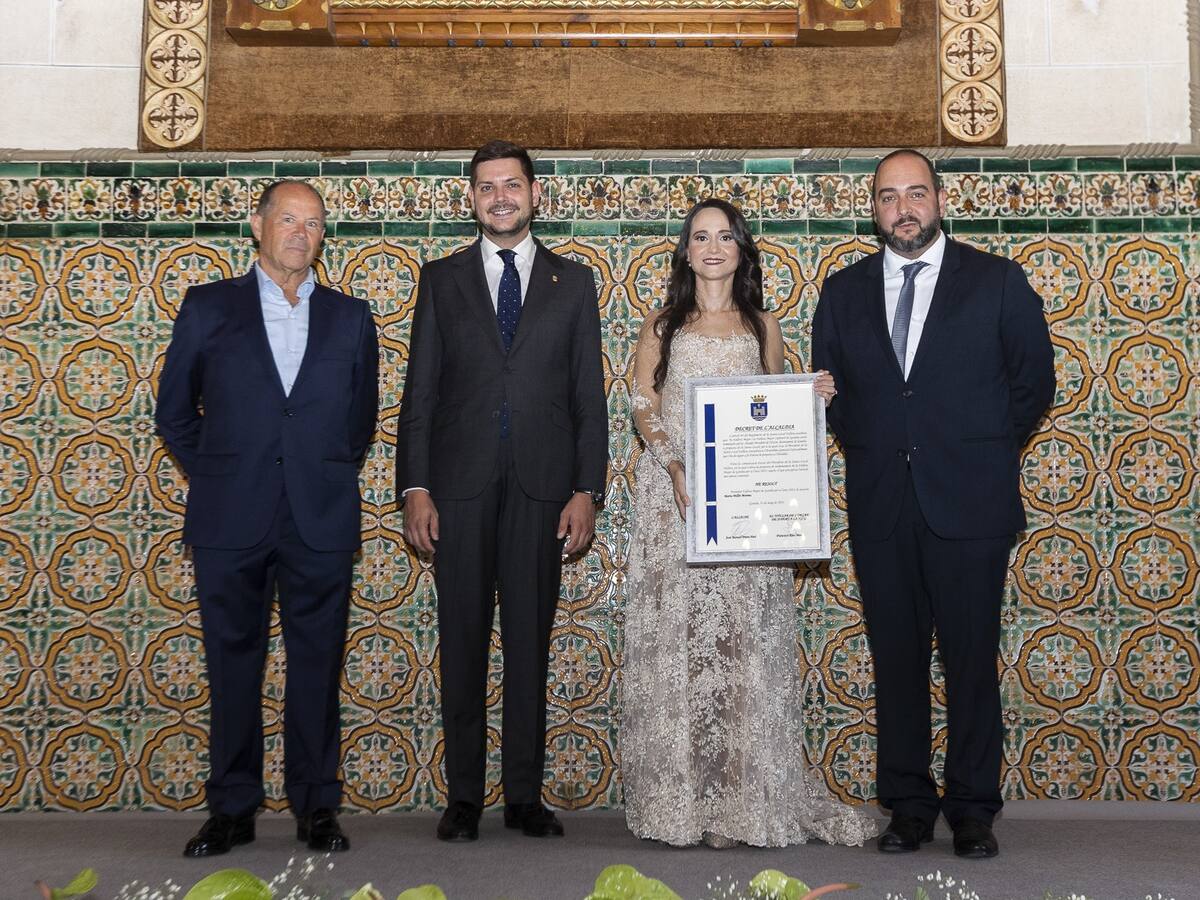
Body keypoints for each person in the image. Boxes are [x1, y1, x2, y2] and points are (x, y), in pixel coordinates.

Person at [812, 149, 1054, 859]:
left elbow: (1032, 382)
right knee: (897, 658)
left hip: (971, 504)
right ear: (874, 207)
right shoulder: (844, 291)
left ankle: (973, 809)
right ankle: (909, 806)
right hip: (883, 503)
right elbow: (834, 396)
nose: (903, 208)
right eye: (889, 197)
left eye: (916, 193)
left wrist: (975, 450)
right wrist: (878, 443)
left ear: (939, 201)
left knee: (972, 658)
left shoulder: (997, 280)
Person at [621, 198, 875, 849]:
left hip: (743, 514)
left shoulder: (763, 325)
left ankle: (735, 802)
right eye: (700, 237)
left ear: (741, 249)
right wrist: (675, 465)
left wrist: (811, 395)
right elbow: (640, 402)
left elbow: (774, 414)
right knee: (678, 653)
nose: (712, 248)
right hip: (673, 505)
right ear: (686, 250)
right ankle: (682, 800)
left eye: (725, 236)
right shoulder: (663, 324)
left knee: (737, 655)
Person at [156, 180, 379, 857]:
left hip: (320, 516)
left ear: (321, 237)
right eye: (288, 219)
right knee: (232, 664)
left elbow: (358, 421)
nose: (299, 234)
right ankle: (232, 807)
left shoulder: (351, 316)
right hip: (230, 517)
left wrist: (320, 469)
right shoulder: (206, 307)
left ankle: (316, 807)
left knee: (317, 665)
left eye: (312, 224)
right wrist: (221, 471)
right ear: (258, 226)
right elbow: (173, 413)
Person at [396, 140, 608, 842]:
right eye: (486, 187)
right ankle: (463, 798)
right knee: (460, 642)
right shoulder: (441, 278)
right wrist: (414, 487)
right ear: (472, 199)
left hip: (543, 488)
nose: (500, 198)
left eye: (511, 185)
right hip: (456, 488)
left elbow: (588, 394)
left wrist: (587, 488)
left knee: (528, 642)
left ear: (535, 194)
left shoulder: (572, 284)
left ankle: (522, 795)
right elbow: (419, 392)